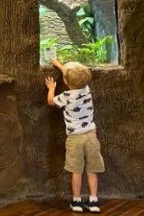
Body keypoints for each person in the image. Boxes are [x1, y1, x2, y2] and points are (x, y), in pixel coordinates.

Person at [45, 58, 104, 213]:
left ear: (65, 81)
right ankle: (94, 201)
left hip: (75, 138)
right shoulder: (86, 90)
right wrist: (60, 65)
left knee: (76, 171)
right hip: (91, 136)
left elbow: (51, 101)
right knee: (92, 170)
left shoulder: (66, 96)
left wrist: (51, 88)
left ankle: (76, 201)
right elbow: (73, 75)